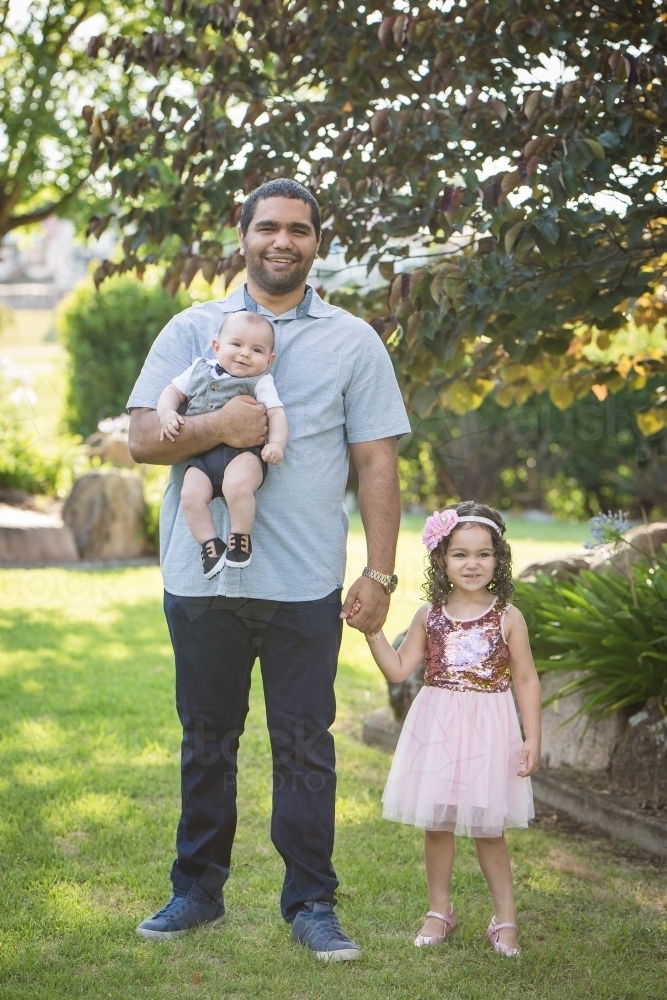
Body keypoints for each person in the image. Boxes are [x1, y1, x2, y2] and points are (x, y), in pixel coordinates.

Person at [126, 178, 411, 959]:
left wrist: (379, 575)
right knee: (207, 739)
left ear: (318, 241)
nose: (281, 241)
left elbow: (376, 462)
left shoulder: (353, 341)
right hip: (203, 579)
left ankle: (311, 903)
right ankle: (195, 892)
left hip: (303, 584)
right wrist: (222, 423)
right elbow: (143, 437)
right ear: (242, 234)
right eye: (267, 228)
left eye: (298, 229)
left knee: (304, 746)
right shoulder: (192, 328)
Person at [363, 500, 541, 957]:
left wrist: (533, 737)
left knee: (488, 828)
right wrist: (372, 633)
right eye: (460, 554)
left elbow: (525, 679)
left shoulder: (508, 617)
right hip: (437, 728)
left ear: (498, 560)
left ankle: (505, 919)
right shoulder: (429, 615)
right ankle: (440, 910)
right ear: (441, 559)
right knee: (438, 822)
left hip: (489, 731)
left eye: (484, 554)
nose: (472, 564)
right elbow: (400, 670)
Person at [156, 311, 288, 577]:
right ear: (216, 346)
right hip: (203, 454)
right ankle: (210, 545)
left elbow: (276, 413)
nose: (245, 354)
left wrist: (276, 444)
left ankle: (240, 539)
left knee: (237, 486)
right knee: (190, 495)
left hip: (244, 454)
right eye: (236, 344)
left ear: (269, 360)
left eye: (257, 349)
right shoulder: (198, 369)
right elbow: (171, 392)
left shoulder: (261, 381)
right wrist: (168, 414)